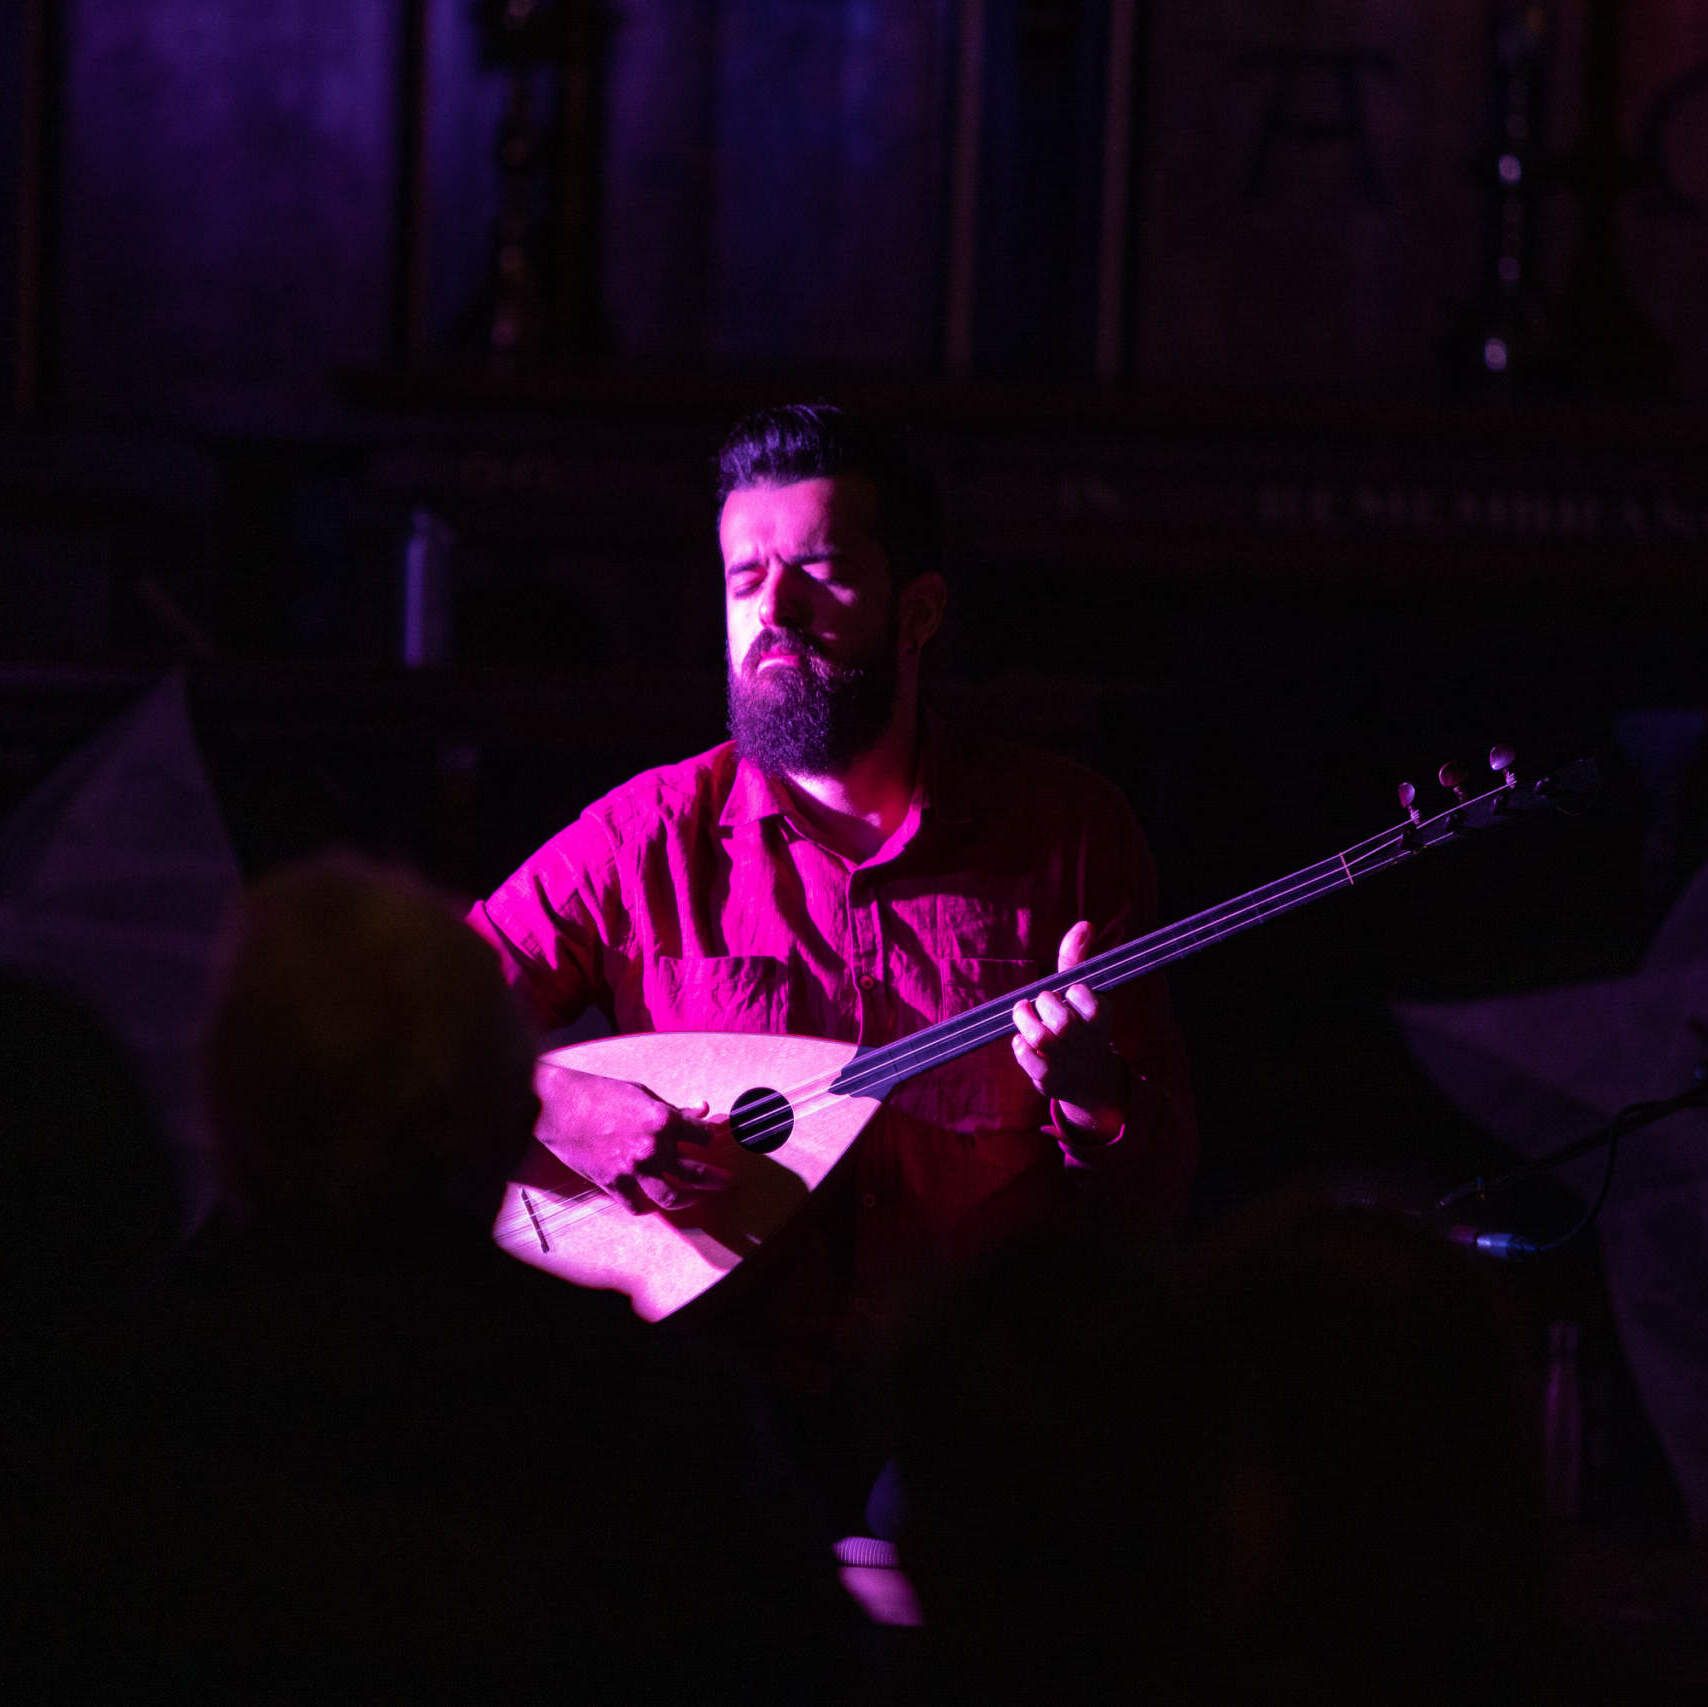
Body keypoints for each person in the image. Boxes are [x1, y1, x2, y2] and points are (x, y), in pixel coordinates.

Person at [469, 403, 1196, 1518]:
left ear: (919, 611)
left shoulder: (1069, 833)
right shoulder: (644, 838)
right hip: (703, 1395)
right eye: (744, 577)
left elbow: (1154, 1195)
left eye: (818, 570)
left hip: (972, 1404)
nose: (775, 610)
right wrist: (555, 1100)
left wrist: (1096, 1102)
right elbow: (406, 1024)